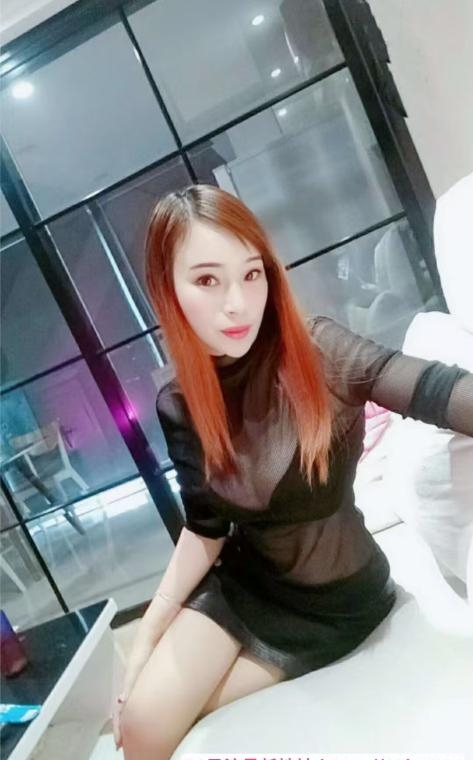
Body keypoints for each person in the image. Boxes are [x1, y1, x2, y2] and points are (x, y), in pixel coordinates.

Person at [114, 184, 473, 760]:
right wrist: (146, 638)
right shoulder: (180, 403)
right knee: (139, 731)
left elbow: (438, 390)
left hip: (338, 600)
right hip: (243, 584)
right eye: (207, 280)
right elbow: (205, 526)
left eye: (251, 274)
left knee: (167, 723)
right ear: (167, 290)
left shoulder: (320, 351)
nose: (238, 303)